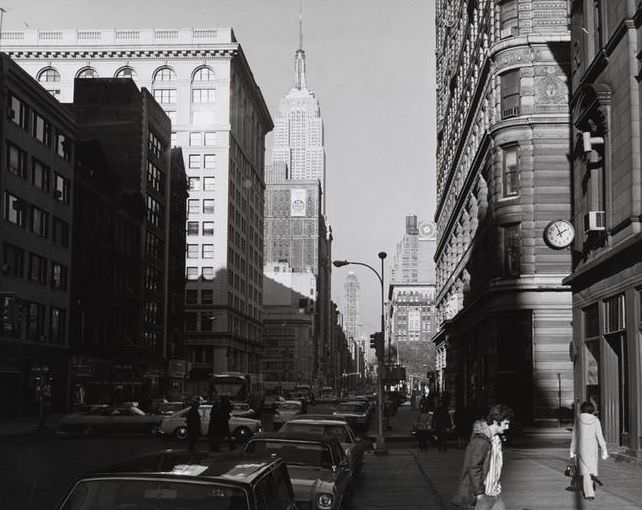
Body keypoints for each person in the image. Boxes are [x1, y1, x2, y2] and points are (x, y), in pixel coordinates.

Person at [452, 404, 514, 509]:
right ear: (496, 422)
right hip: (484, 494)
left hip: (495, 492)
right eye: (505, 424)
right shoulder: (481, 441)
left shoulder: (496, 439)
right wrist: (479, 493)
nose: (507, 427)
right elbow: (474, 467)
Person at [570, 401, 608, 501]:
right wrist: (604, 449)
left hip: (581, 447)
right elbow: (599, 436)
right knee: (591, 469)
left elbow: (575, 436)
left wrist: (572, 450)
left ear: (582, 409)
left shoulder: (578, 420)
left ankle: (589, 492)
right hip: (592, 448)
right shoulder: (596, 420)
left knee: (585, 471)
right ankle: (590, 490)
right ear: (592, 410)